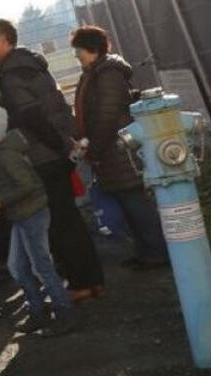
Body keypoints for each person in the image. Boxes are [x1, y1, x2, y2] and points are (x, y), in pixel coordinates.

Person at [0, 18, 104, 300]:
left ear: (4, 40)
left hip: (43, 154)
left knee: (60, 223)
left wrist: (57, 149)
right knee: (69, 219)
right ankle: (90, 279)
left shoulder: (12, 74)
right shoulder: (28, 65)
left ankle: (80, 283)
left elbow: (31, 116)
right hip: (54, 149)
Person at [72, 25, 170, 269]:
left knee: (135, 202)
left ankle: (156, 252)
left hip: (117, 150)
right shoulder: (96, 73)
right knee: (129, 203)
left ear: (93, 50)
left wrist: (93, 147)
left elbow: (107, 115)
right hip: (111, 150)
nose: (77, 55)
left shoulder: (106, 75)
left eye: (80, 50)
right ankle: (147, 251)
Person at [0, 106, 75, 336]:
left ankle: (64, 314)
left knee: (40, 266)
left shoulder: (5, 155)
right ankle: (38, 310)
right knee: (19, 266)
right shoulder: (9, 150)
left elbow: (27, 185)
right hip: (25, 213)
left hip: (29, 214)